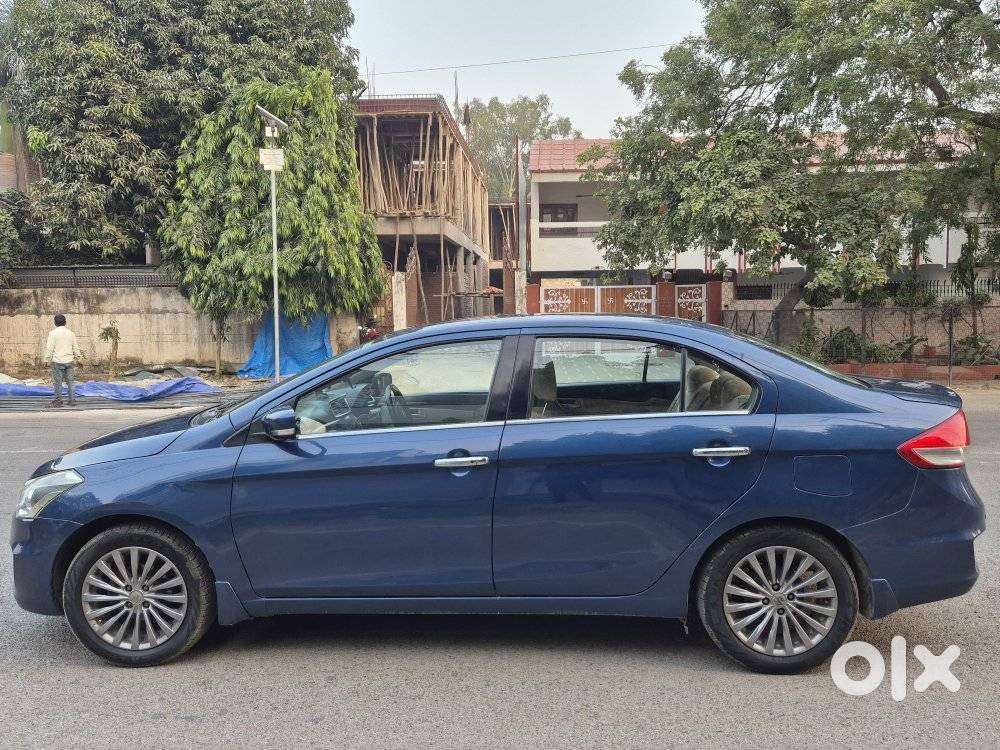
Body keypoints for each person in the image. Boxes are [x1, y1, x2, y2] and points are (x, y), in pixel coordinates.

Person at [44, 314, 83, 407]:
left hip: (57, 362)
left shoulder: (52, 333)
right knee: (71, 382)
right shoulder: (71, 333)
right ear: (65, 322)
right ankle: (72, 400)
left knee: (58, 382)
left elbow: (49, 348)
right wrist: (79, 359)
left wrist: (46, 359)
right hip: (69, 361)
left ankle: (58, 401)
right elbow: (76, 348)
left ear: (55, 323)